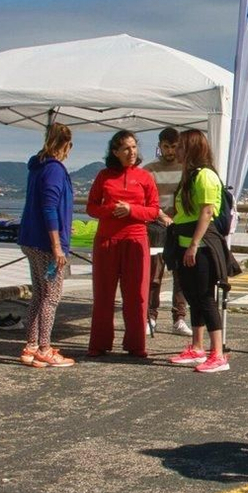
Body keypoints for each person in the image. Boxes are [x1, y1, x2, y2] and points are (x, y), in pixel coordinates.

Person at [86, 130, 162, 358]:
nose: (132, 152)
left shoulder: (145, 177)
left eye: (134, 147)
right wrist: (110, 209)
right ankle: (99, 344)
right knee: (103, 295)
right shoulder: (104, 176)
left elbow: (153, 210)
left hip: (136, 240)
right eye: (126, 148)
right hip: (107, 241)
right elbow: (91, 207)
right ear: (115, 152)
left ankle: (136, 345)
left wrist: (131, 210)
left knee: (136, 296)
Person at [167, 129, 235, 374]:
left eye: (181, 146)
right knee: (192, 295)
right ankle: (197, 346)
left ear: (192, 149)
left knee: (206, 298)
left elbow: (207, 211)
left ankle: (217, 353)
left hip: (203, 246)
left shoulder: (205, 176)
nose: (177, 151)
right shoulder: (189, 176)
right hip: (185, 243)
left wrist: (195, 244)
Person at [17, 123, 77, 368]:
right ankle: (44, 347)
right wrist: (57, 245)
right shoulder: (54, 169)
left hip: (31, 239)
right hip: (46, 243)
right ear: (66, 145)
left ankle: (31, 346)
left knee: (39, 295)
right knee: (51, 297)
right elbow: (49, 206)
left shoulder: (37, 167)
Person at [145, 127, 189, 338]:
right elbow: (147, 200)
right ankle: (150, 316)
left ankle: (179, 318)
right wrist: (162, 216)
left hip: (180, 225)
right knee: (154, 274)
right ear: (159, 146)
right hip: (157, 225)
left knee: (181, 274)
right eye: (166, 147)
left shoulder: (186, 168)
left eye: (173, 147)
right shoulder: (149, 170)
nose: (170, 151)